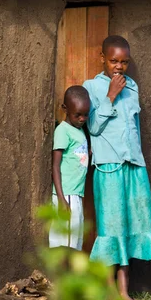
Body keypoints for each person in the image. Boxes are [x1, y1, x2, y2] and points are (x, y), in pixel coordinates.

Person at [83, 35, 151, 300]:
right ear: (102, 58)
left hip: (133, 166)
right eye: (113, 61)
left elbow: (135, 129)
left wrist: (139, 159)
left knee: (130, 226)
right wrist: (110, 95)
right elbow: (93, 127)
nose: (119, 67)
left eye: (124, 62)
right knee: (111, 229)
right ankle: (109, 291)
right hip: (108, 167)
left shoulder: (133, 87)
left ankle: (124, 291)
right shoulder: (92, 87)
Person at [50, 85, 90, 250]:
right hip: (66, 194)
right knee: (65, 242)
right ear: (65, 109)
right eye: (78, 115)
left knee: (73, 241)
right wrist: (61, 198)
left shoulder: (78, 131)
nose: (82, 119)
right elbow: (55, 165)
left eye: (86, 115)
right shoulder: (63, 131)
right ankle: (59, 276)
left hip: (76, 194)